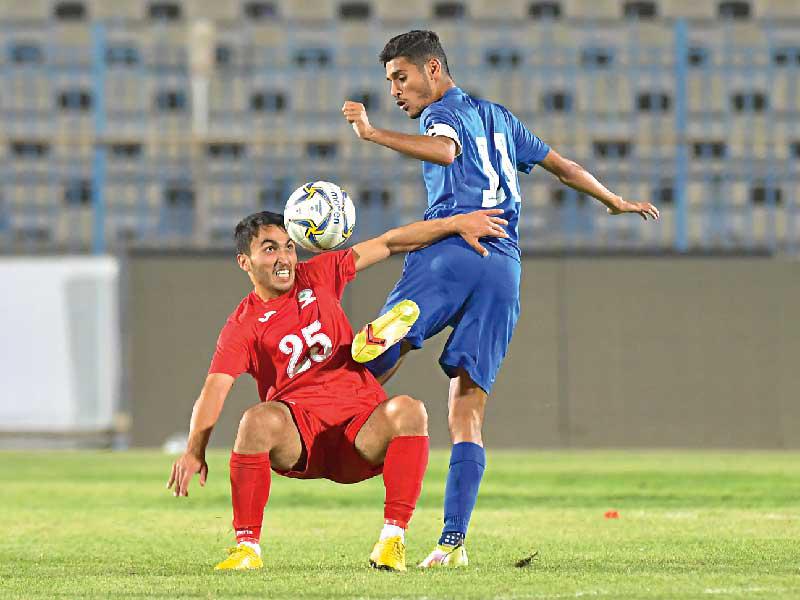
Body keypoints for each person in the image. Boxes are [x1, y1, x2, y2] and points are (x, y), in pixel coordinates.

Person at [342, 30, 660, 568]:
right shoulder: (502, 118)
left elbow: (445, 149)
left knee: (370, 361)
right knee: (466, 410)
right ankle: (451, 544)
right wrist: (614, 200)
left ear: (434, 70)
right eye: (390, 81)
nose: (395, 89)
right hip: (504, 266)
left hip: (453, 243)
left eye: (401, 77)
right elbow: (563, 166)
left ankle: (355, 390)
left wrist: (373, 134)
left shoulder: (439, 114)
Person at [166, 207, 508, 572]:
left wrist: (453, 224)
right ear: (244, 262)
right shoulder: (242, 325)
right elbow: (214, 389)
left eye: (288, 247)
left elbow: (389, 242)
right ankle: (247, 548)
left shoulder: (319, 274)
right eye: (269, 249)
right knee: (255, 420)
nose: (283, 258)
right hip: (303, 437)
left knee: (410, 409)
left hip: (360, 429)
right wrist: (194, 450)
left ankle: (392, 541)